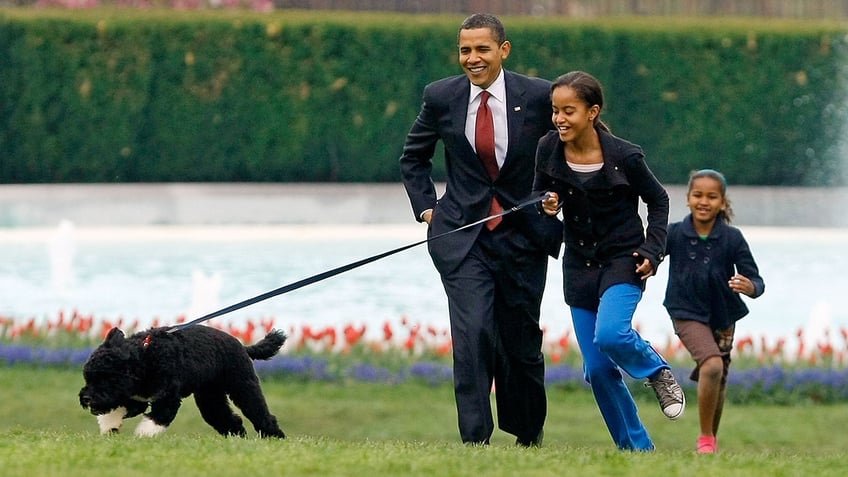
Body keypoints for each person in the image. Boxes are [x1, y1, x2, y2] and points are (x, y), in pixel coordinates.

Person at [398, 13, 562, 446]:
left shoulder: (541, 95)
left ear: (503, 51)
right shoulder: (441, 96)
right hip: (462, 238)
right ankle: (475, 441)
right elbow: (412, 159)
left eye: (482, 49)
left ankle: (528, 434)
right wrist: (428, 211)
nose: (472, 58)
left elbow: (571, 147)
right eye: (465, 50)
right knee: (472, 338)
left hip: (524, 237)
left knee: (520, 344)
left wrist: (558, 195)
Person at [533, 70, 685, 451]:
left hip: (623, 259)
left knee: (611, 334)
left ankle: (656, 370)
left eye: (569, 110)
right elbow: (540, 195)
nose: (560, 119)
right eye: (555, 110)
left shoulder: (625, 155)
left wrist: (654, 249)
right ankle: (637, 449)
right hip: (579, 264)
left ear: (592, 111)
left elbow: (659, 200)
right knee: (599, 369)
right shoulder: (548, 148)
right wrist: (547, 205)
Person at [663, 169, 765, 454]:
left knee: (717, 377)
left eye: (711, 196)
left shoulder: (732, 238)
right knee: (712, 366)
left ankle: (710, 442)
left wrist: (750, 286)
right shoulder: (675, 233)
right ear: (688, 199)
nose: (703, 202)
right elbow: (651, 253)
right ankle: (705, 439)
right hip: (685, 311)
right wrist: (646, 266)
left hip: (723, 317)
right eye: (698, 195)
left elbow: (757, 280)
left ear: (722, 202)